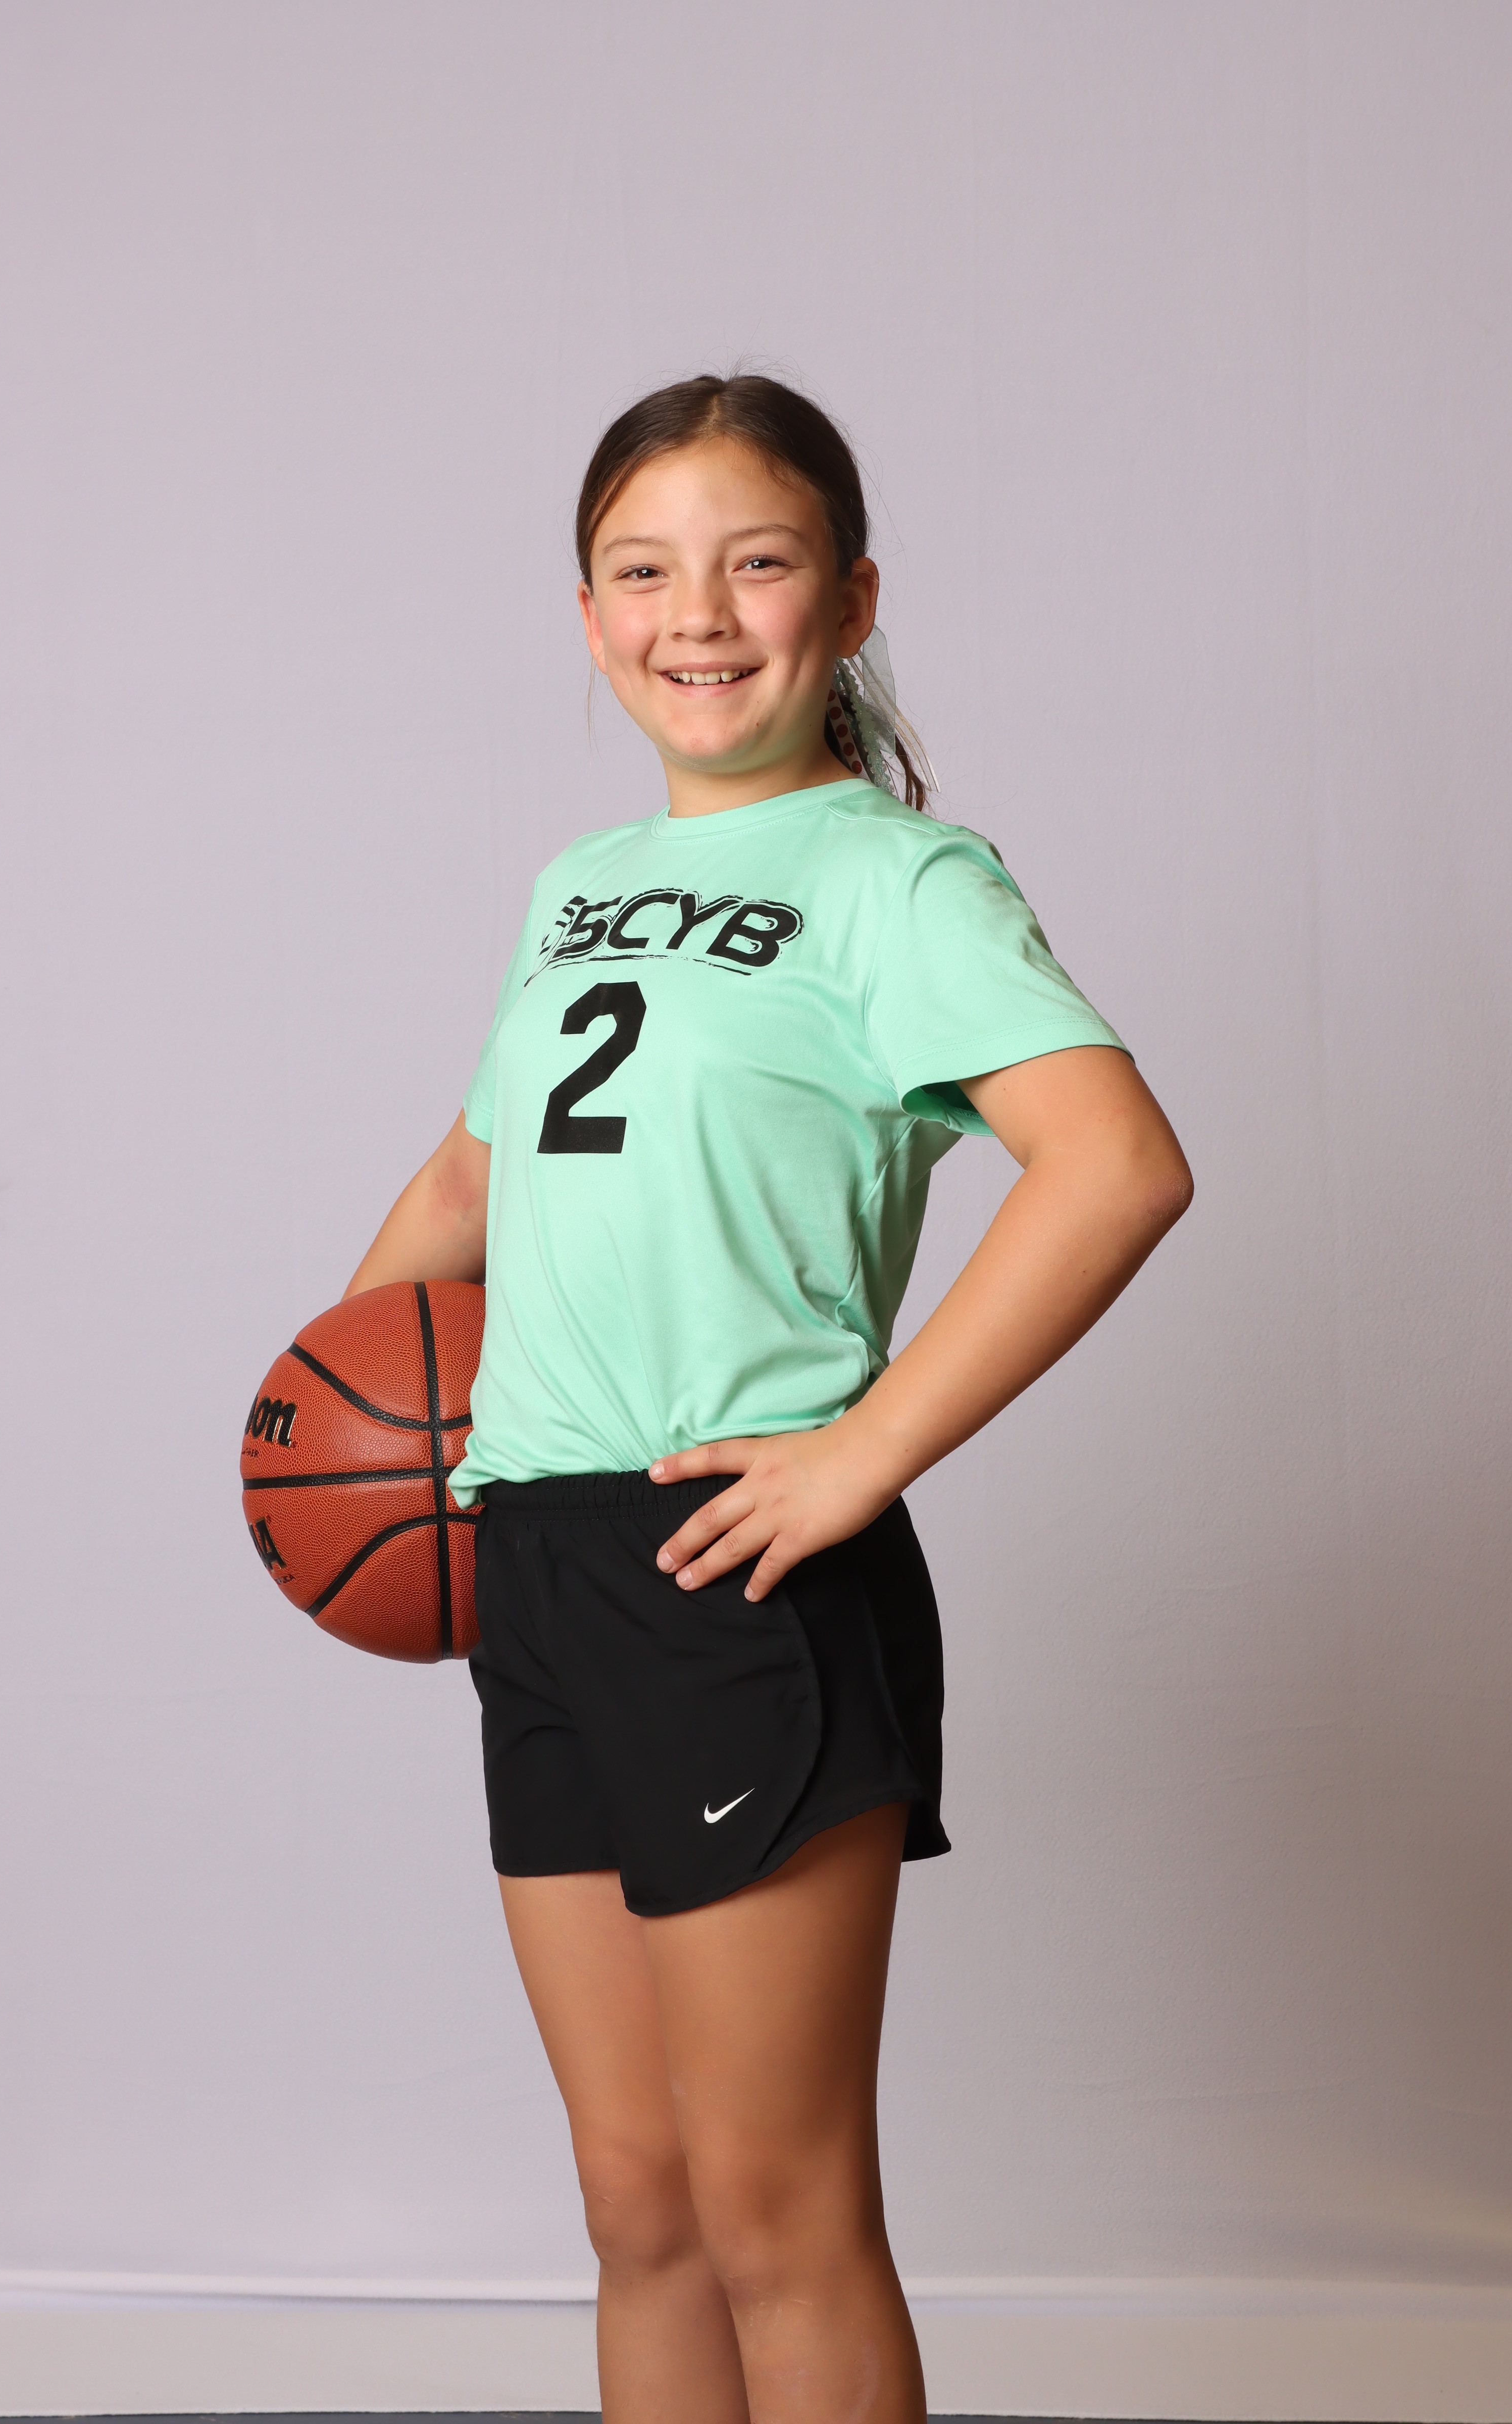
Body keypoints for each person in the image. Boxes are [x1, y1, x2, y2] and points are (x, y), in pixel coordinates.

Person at [346, 373, 1193, 2424]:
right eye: (643, 573)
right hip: (537, 1561)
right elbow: (471, 1181)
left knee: (774, 2213)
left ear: (852, 599)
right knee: (637, 2207)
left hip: (733, 1570)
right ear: (587, 618)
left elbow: (1115, 1167)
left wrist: (861, 1452)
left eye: (756, 563)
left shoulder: (900, 882)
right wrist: (337, 1415)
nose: (698, 616)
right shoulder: (574, 886)